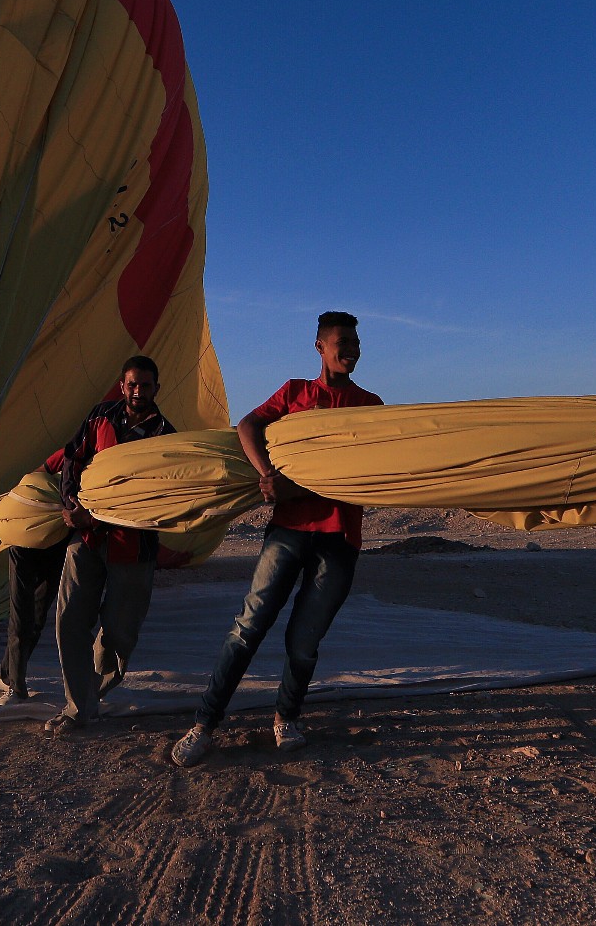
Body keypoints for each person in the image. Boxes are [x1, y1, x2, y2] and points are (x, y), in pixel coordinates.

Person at [171, 312, 381, 767]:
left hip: (339, 537)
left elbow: (360, 471)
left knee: (304, 641)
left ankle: (287, 718)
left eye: (357, 341)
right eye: (343, 341)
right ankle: (204, 724)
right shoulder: (294, 393)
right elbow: (248, 427)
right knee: (248, 629)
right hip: (288, 531)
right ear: (320, 347)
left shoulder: (370, 405)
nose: (353, 349)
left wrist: (294, 486)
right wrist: (268, 476)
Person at [42, 355, 178, 735]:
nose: (138, 392)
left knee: (119, 636)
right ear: (122, 385)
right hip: (85, 540)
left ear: (156, 389)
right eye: (132, 385)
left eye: (145, 386)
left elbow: (157, 498)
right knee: (69, 621)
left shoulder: (166, 436)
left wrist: (96, 516)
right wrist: (71, 506)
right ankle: (78, 708)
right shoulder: (100, 417)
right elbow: (73, 459)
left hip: (134, 548)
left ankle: (91, 692)